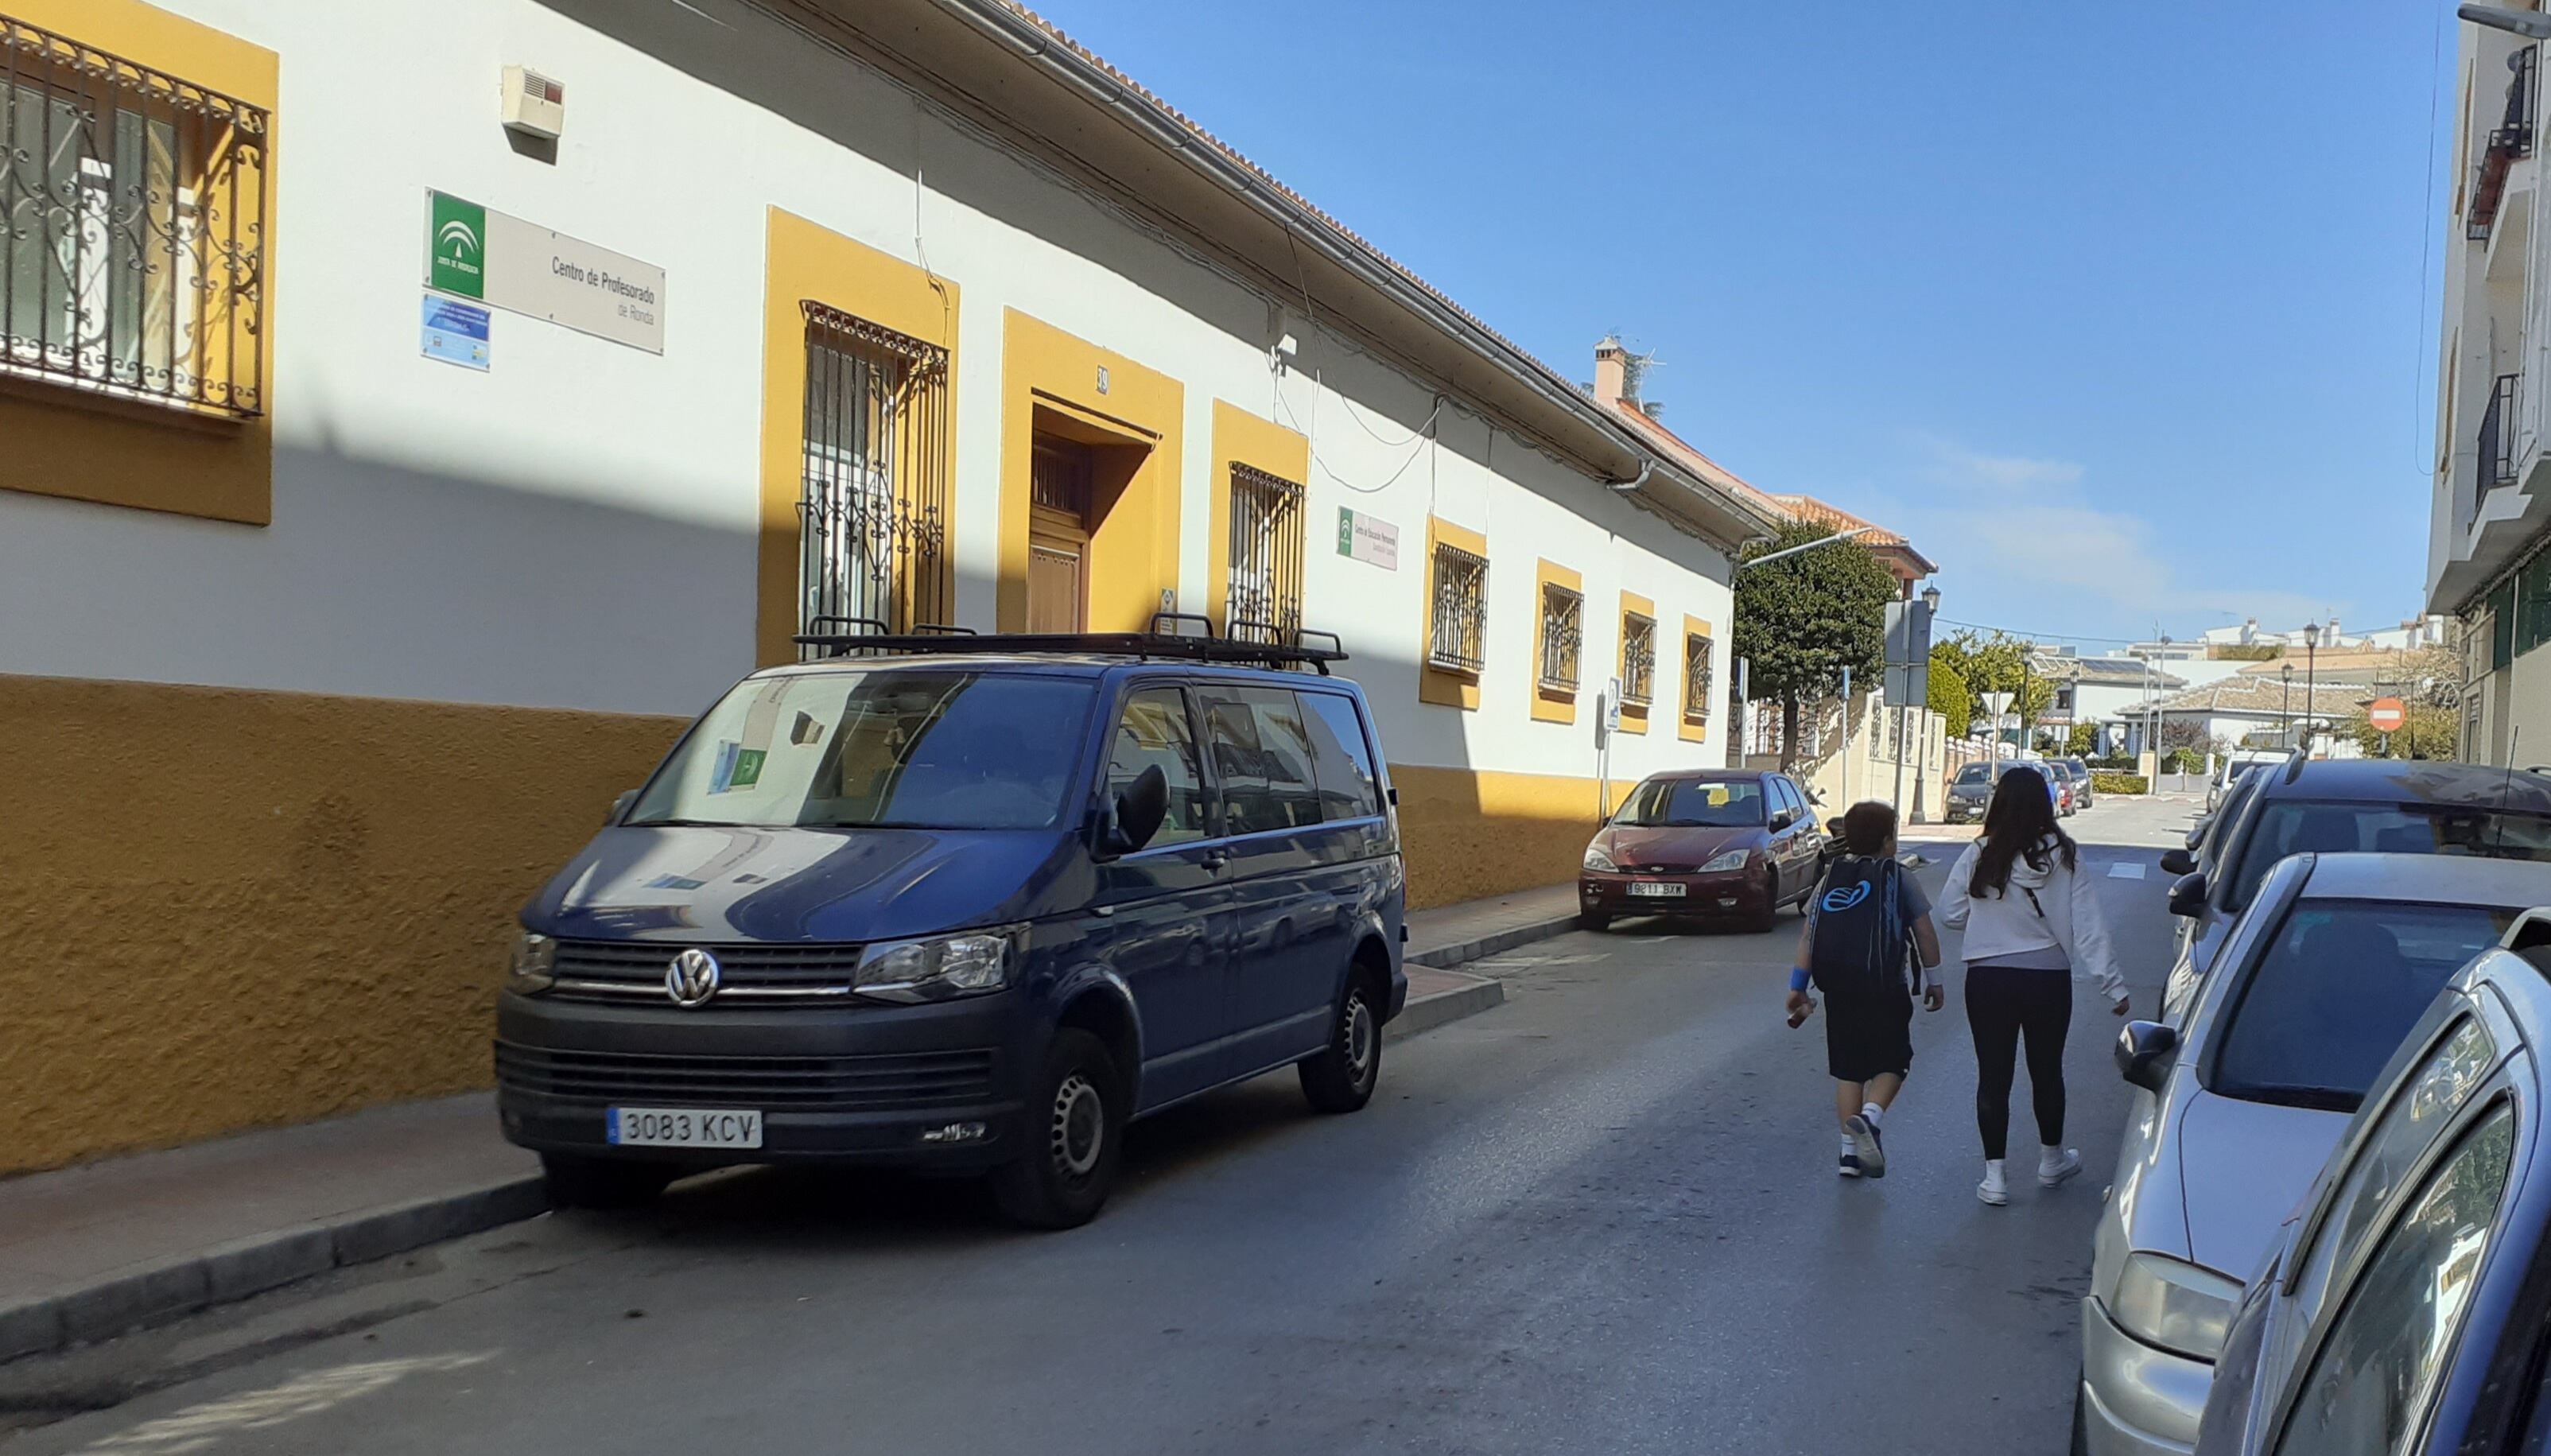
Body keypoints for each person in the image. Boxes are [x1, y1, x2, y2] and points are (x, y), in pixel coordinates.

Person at [1939, 766, 2130, 1207]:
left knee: (1993, 1074)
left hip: (1988, 976)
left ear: (1998, 803)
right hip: (2048, 979)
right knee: (2046, 1071)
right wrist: (2113, 986)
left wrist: (1988, 918)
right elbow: (2089, 925)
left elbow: (1948, 912)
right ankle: (2051, 1159)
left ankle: (1995, 1178)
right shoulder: (2066, 856)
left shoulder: (1980, 852)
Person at [1784, 801, 1943, 1179]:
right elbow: (1924, 930)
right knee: (1894, 1061)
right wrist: (1935, 980)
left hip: (1839, 987)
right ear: (1888, 841)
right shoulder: (1898, 877)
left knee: (1849, 1071)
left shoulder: (1830, 878)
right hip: (1885, 986)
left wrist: (1798, 986)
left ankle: (1849, 1156)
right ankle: (1870, 1119)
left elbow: (1810, 934)